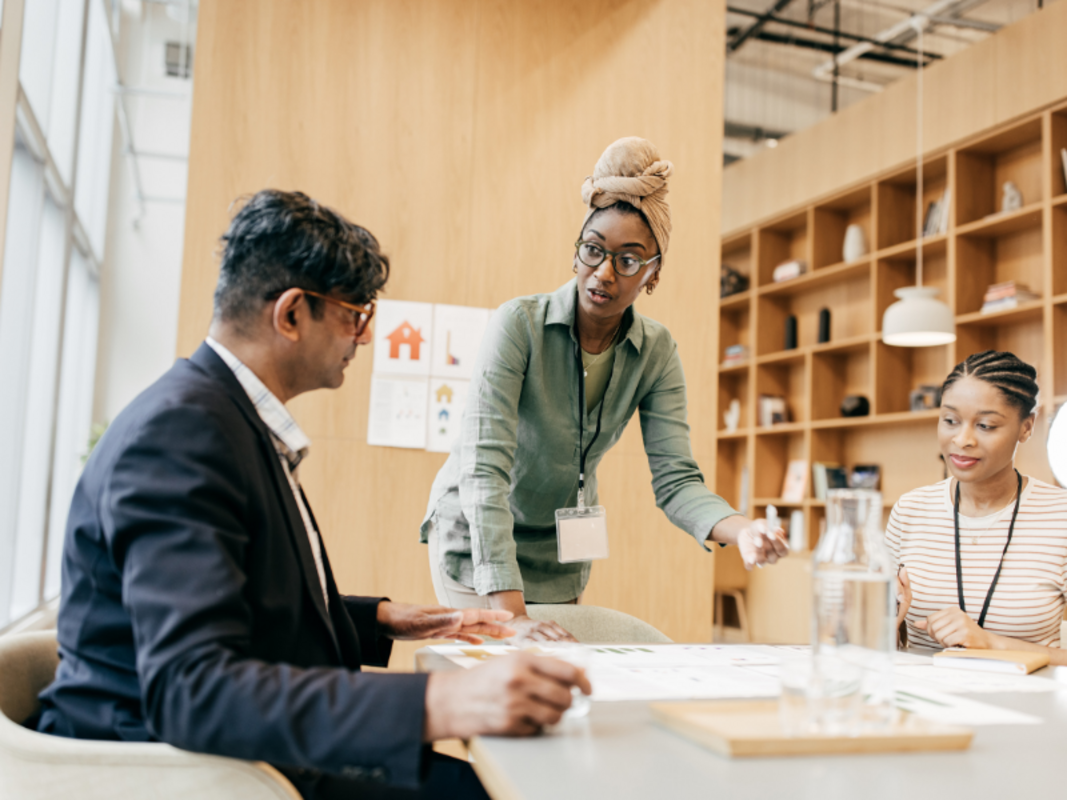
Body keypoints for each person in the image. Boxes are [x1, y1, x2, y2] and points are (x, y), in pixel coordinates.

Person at [35, 190, 591, 800]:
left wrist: (388, 619)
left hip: (241, 752)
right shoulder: (181, 436)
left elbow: (247, 604)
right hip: (181, 771)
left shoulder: (219, 416)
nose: (365, 337)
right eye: (357, 315)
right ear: (293, 314)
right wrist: (443, 697)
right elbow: (193, 689)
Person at [420, 137, 788, 642]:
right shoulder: (519, 326)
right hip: (477, 536)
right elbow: (484, 473)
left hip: (559, 549)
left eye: (629, 260)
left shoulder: (656, 353)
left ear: (653, 274)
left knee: (555, 678)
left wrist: (741, 528)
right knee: (507, 669)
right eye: (593, 250)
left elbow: (677, 481)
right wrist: (513, 620)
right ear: (576, 252)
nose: (604, 273)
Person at [888, 350, 1067, 664]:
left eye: (985, 425)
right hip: (922, 705)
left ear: (1026, 427)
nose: (962, 439)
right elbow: (880, 643)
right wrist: (885, 623)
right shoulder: (910, 510)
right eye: (950, 421)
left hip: (1028, 707)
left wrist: (988, 642)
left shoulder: (1060, 516)